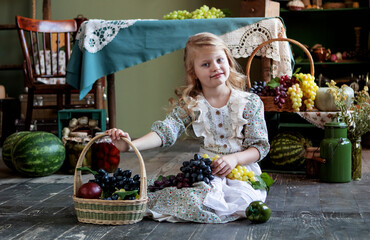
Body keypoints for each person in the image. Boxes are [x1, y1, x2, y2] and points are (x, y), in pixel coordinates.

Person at [106, 32, 270, 223]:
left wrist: (234, 159)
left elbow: (259, 147)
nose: (215, 67)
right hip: (204, 171)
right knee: (177, 195)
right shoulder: (192, 105)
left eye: (219, 60)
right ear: (194, 72)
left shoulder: (249, 102)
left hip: (240, 169)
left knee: (239, 201)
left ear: (229, 61)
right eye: (206, 64)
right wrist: (130, 145)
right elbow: (165, 131)